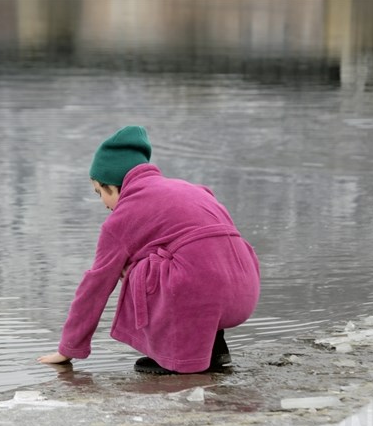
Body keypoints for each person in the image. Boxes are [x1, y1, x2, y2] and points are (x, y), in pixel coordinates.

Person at [38, 126, 260, 374]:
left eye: (99, 193)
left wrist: (68, 349)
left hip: (203, 294)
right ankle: (214, 349)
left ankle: (181, 358)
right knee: (195, 254)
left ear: (113, 185)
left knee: (136, 268)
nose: (103, 204)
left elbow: (96, 284)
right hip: (244, 293)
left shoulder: (125, 214)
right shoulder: (194, 190)